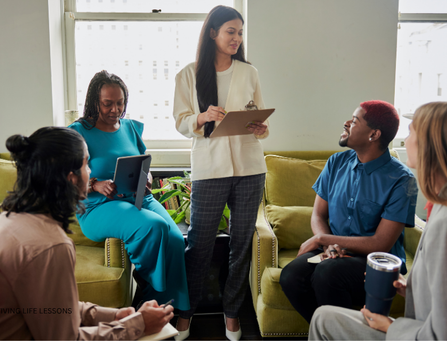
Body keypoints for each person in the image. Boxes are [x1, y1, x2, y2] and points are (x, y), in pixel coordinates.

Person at [0, 127, 174, 340]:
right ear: (71, 179)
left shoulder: (8, 219)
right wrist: (138, 324)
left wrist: (115, 315)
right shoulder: (51, 247)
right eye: (87, 163)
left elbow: (52, 306)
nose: (90, 172)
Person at [308, 101, 447, 341]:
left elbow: (439, 332)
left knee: (325, 298)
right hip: (412, 325)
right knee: (307, 293)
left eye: (411, 132)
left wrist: (390, 327)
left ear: (430, 146)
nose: (405, 140)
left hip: (411, 332)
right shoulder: (438, 207)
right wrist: (410, 290)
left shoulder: (440, 221)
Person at [172, 5, 269, 341]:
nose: (237, 38)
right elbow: (181, 122)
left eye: (240, 33)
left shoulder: (249, 72)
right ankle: (185, 313)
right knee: (198, 245)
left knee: (241, 244)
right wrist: (201, 117)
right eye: (231, 31)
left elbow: (259, 120)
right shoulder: (188, 74)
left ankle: (231, 313)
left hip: (250, 167)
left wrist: (260, 128)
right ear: (212, 33)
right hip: (209, 169)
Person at [279, 100, 418, 323]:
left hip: (375, 260)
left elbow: (381, 243)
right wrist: (328, 244)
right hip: (333, 250)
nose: (346, 123)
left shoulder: (402, 180)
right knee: (291, 276)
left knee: (327, 274)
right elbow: (318, 214)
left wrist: (322, 238)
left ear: (373, 135)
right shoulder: (336, 162)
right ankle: (328, 333)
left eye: (354, 121)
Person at [69, 70, 189, 311]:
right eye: (107, 104)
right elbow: (66, 175)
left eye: (120, 103)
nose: (115, 109)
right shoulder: (79, 131)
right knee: (154, 228)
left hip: (138, 197)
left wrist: (147, 178)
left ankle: (173, 307)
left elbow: (144, 163)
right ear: (95, 102)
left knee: (176, 239)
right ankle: (153, 299)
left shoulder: (130, 128)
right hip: (98, 207)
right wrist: (95, 184)